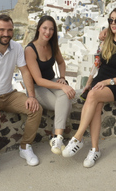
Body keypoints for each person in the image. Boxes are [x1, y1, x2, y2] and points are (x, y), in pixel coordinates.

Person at [62, 7, 116, 167]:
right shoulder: (106, 41)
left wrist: (107, 82)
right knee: (95, 105)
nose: (113, 23)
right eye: (111, 20)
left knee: (93, 96)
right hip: (100, 80)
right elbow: (97, 63)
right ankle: (94, 149)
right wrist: (89, 82)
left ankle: (78, 137)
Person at [0, 14, 42, 177]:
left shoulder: (16, 47)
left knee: (35, 109)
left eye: (9, 30)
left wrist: (31, 95)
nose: (6, 33)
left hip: (9, 95)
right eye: (2, 30)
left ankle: (25, 147)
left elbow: (25, 71)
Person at [25, 16, 74, 155]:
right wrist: (63, 86)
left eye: (51, 29)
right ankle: (57, 137)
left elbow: (61, 63)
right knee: (65, 103)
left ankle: (56, 138)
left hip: (52, 81)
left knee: (65, 98)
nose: (48, 32)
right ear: (39, 28)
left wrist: (62, 78)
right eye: (45, 28)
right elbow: (39, 80)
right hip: (37, 87)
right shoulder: (30, 49)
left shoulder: (52, 45)